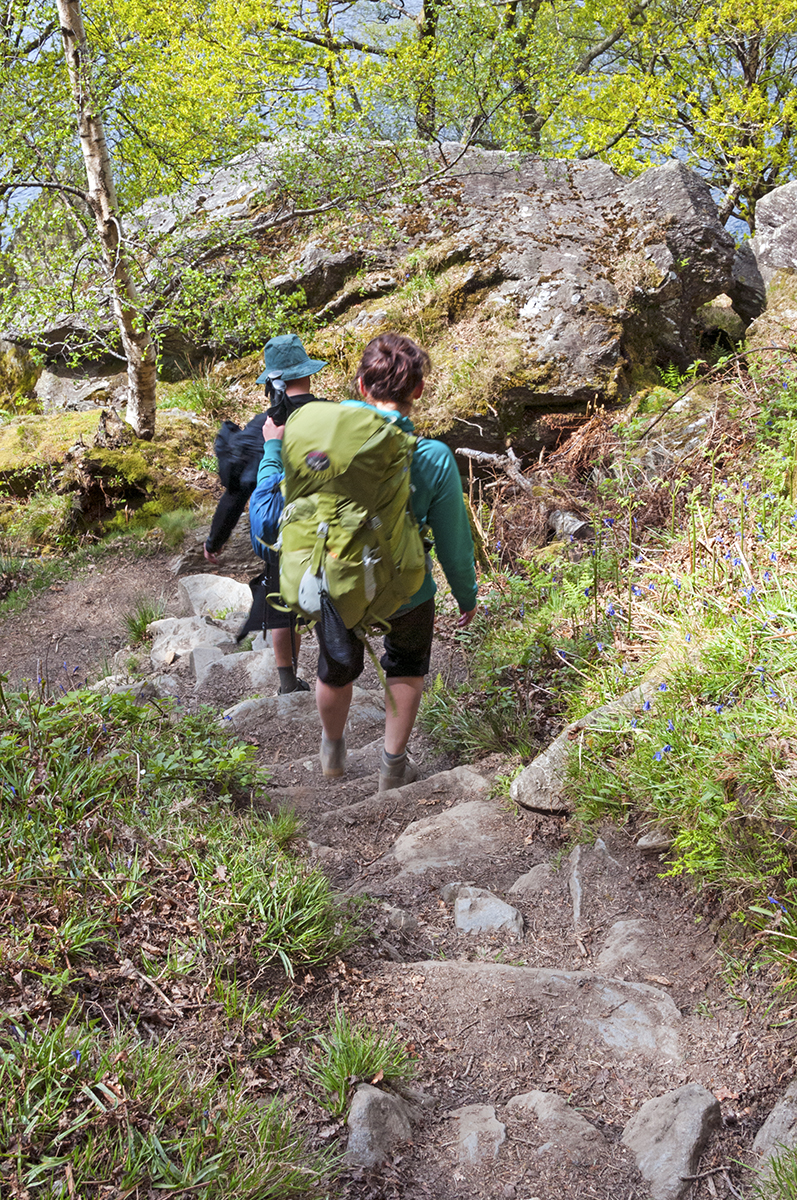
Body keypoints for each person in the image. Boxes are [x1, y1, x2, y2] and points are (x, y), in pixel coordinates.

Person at [250, 333, 478, 789]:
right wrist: (465, 591)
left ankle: (332, 748)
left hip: (336, 576)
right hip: (404, 588)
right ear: (418, 390)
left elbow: (273, 510)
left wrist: (272, 449)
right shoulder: (430, 456)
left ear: (360, 385)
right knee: (407, 665)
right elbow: (454, 538)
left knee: (335, 666)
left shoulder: (322, 440)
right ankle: (393, 766)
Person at [204, 333, 327, 694]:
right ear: (307, 374)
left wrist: (215, 540)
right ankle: (334, 672)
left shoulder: (264, 426)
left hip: (280, 535)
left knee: (279, 602)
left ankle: (288, 681)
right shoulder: (330, 416)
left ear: (272, 380)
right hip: (328, 531)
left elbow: (237, 491)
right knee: (329, 597)